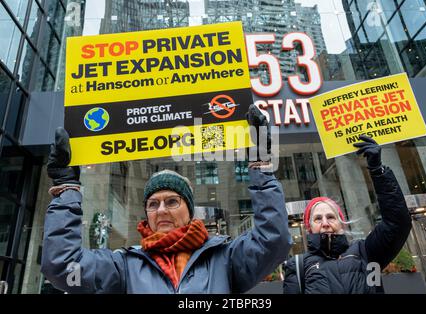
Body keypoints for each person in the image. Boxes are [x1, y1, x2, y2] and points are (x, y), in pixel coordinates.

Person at [41, 105, 292, 293]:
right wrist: (66, 189)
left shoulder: (225, 258)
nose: (161, 210)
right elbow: (63, 267)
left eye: (172, 201)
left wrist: (262, 167)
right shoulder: (123, 266)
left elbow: (274, 241)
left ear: (189, 210)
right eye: (153, 204)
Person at [283, 135, 412, 294]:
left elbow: (397, 223)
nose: (325, 222)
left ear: (341, 223)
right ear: (309, 227)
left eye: (330, 217)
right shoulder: (298, 266)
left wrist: (378, 171)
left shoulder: (365, 251)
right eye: (318, 218)